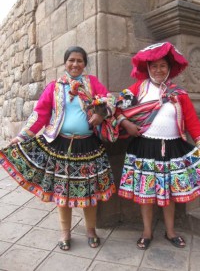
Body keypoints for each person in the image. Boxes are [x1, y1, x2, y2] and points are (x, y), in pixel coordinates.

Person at [0, 46, 116, 251]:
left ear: (84, 64)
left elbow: (110, 100)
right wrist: (21, 136)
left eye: (79, 60)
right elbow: (40, 115)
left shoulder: (92, 84)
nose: (75, 64)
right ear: (65, 63)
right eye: (71, 60)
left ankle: (91, 231)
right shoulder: (55, 87)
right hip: (60, 145)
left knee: (89, 191)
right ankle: (65, 233)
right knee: (62, 192)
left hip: (88, 144)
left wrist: (102, 113)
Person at [116, 42, 200, 250]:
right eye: (154, 66)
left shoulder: (178, 94)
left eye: (163, 66)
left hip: (173, 149)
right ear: (148, 68)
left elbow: (192, 121)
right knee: (146, 194)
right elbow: (116, 109)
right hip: (144, 148)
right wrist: (126, 124)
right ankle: (147, 232)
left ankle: (170, 231)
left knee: (171, 193)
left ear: (169, 68)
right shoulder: (137, 89)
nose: (158, 70)